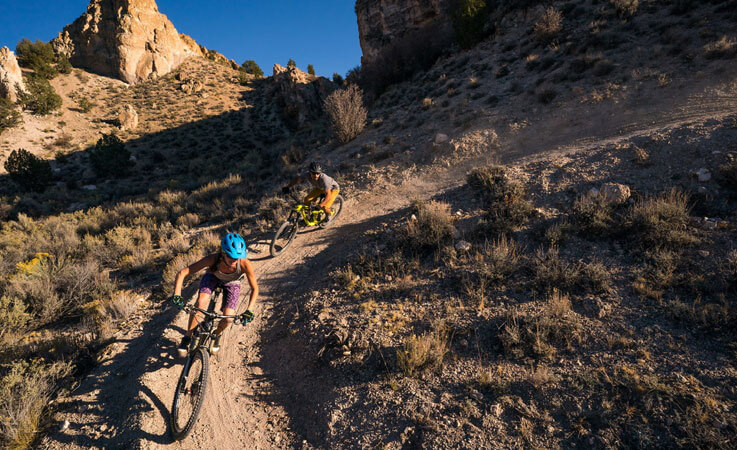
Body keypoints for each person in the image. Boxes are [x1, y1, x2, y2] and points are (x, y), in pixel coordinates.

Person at [170, 232, 258, 357]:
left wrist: (249, 310)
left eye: (237, 258)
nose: (234, 260)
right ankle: (187, 337)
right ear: (222, 253)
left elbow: (254, 288)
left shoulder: (244, 264)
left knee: (228, 319)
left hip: (232, 283)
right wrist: (177, 294)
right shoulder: (213, 259)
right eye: (230, 257)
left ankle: (216, 335)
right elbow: (182, 272)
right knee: (200, 303)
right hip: (213, 276)